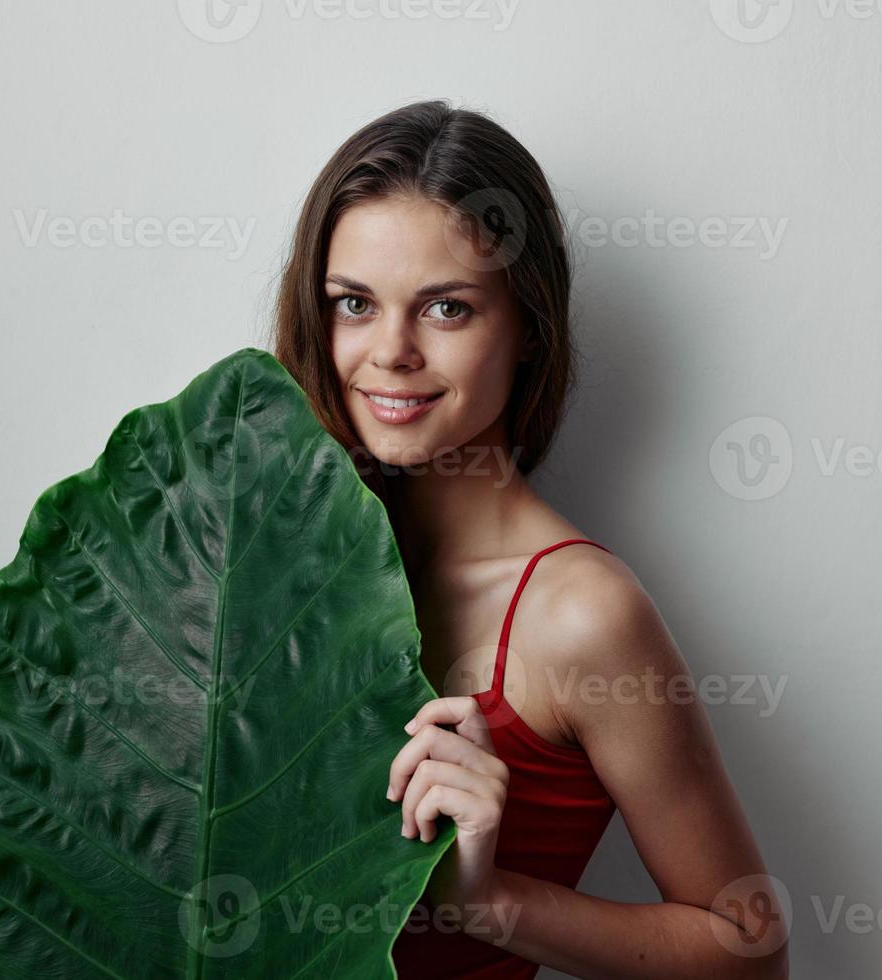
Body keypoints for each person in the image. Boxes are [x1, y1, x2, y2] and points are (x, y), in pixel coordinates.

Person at [274, 99, 787, 979]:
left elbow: (749, 950)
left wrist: (487, 900)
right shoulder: (265, 554)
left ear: (527, 330)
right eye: (353, 303)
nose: (389, 352)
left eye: (445, 309)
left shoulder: (581, 614)